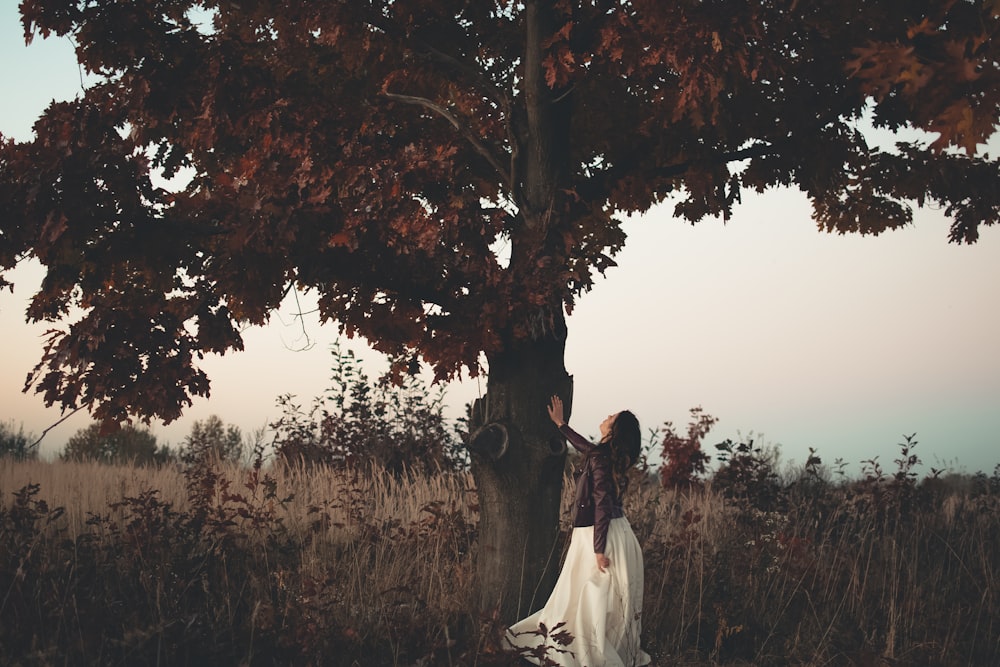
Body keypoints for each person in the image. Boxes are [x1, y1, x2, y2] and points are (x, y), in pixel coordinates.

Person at [505, 395, 652, 667]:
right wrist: (561, 425)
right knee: (600, 599)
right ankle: (593, 649)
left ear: (614, 430)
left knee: (587, 595)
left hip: (597, 536)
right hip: (617, 534)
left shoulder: (600, 458)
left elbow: (602, 506)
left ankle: (585, 653)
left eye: (612, 417)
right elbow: (586, 448)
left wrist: (597, 550)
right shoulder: (603, 456)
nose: (607, 416)